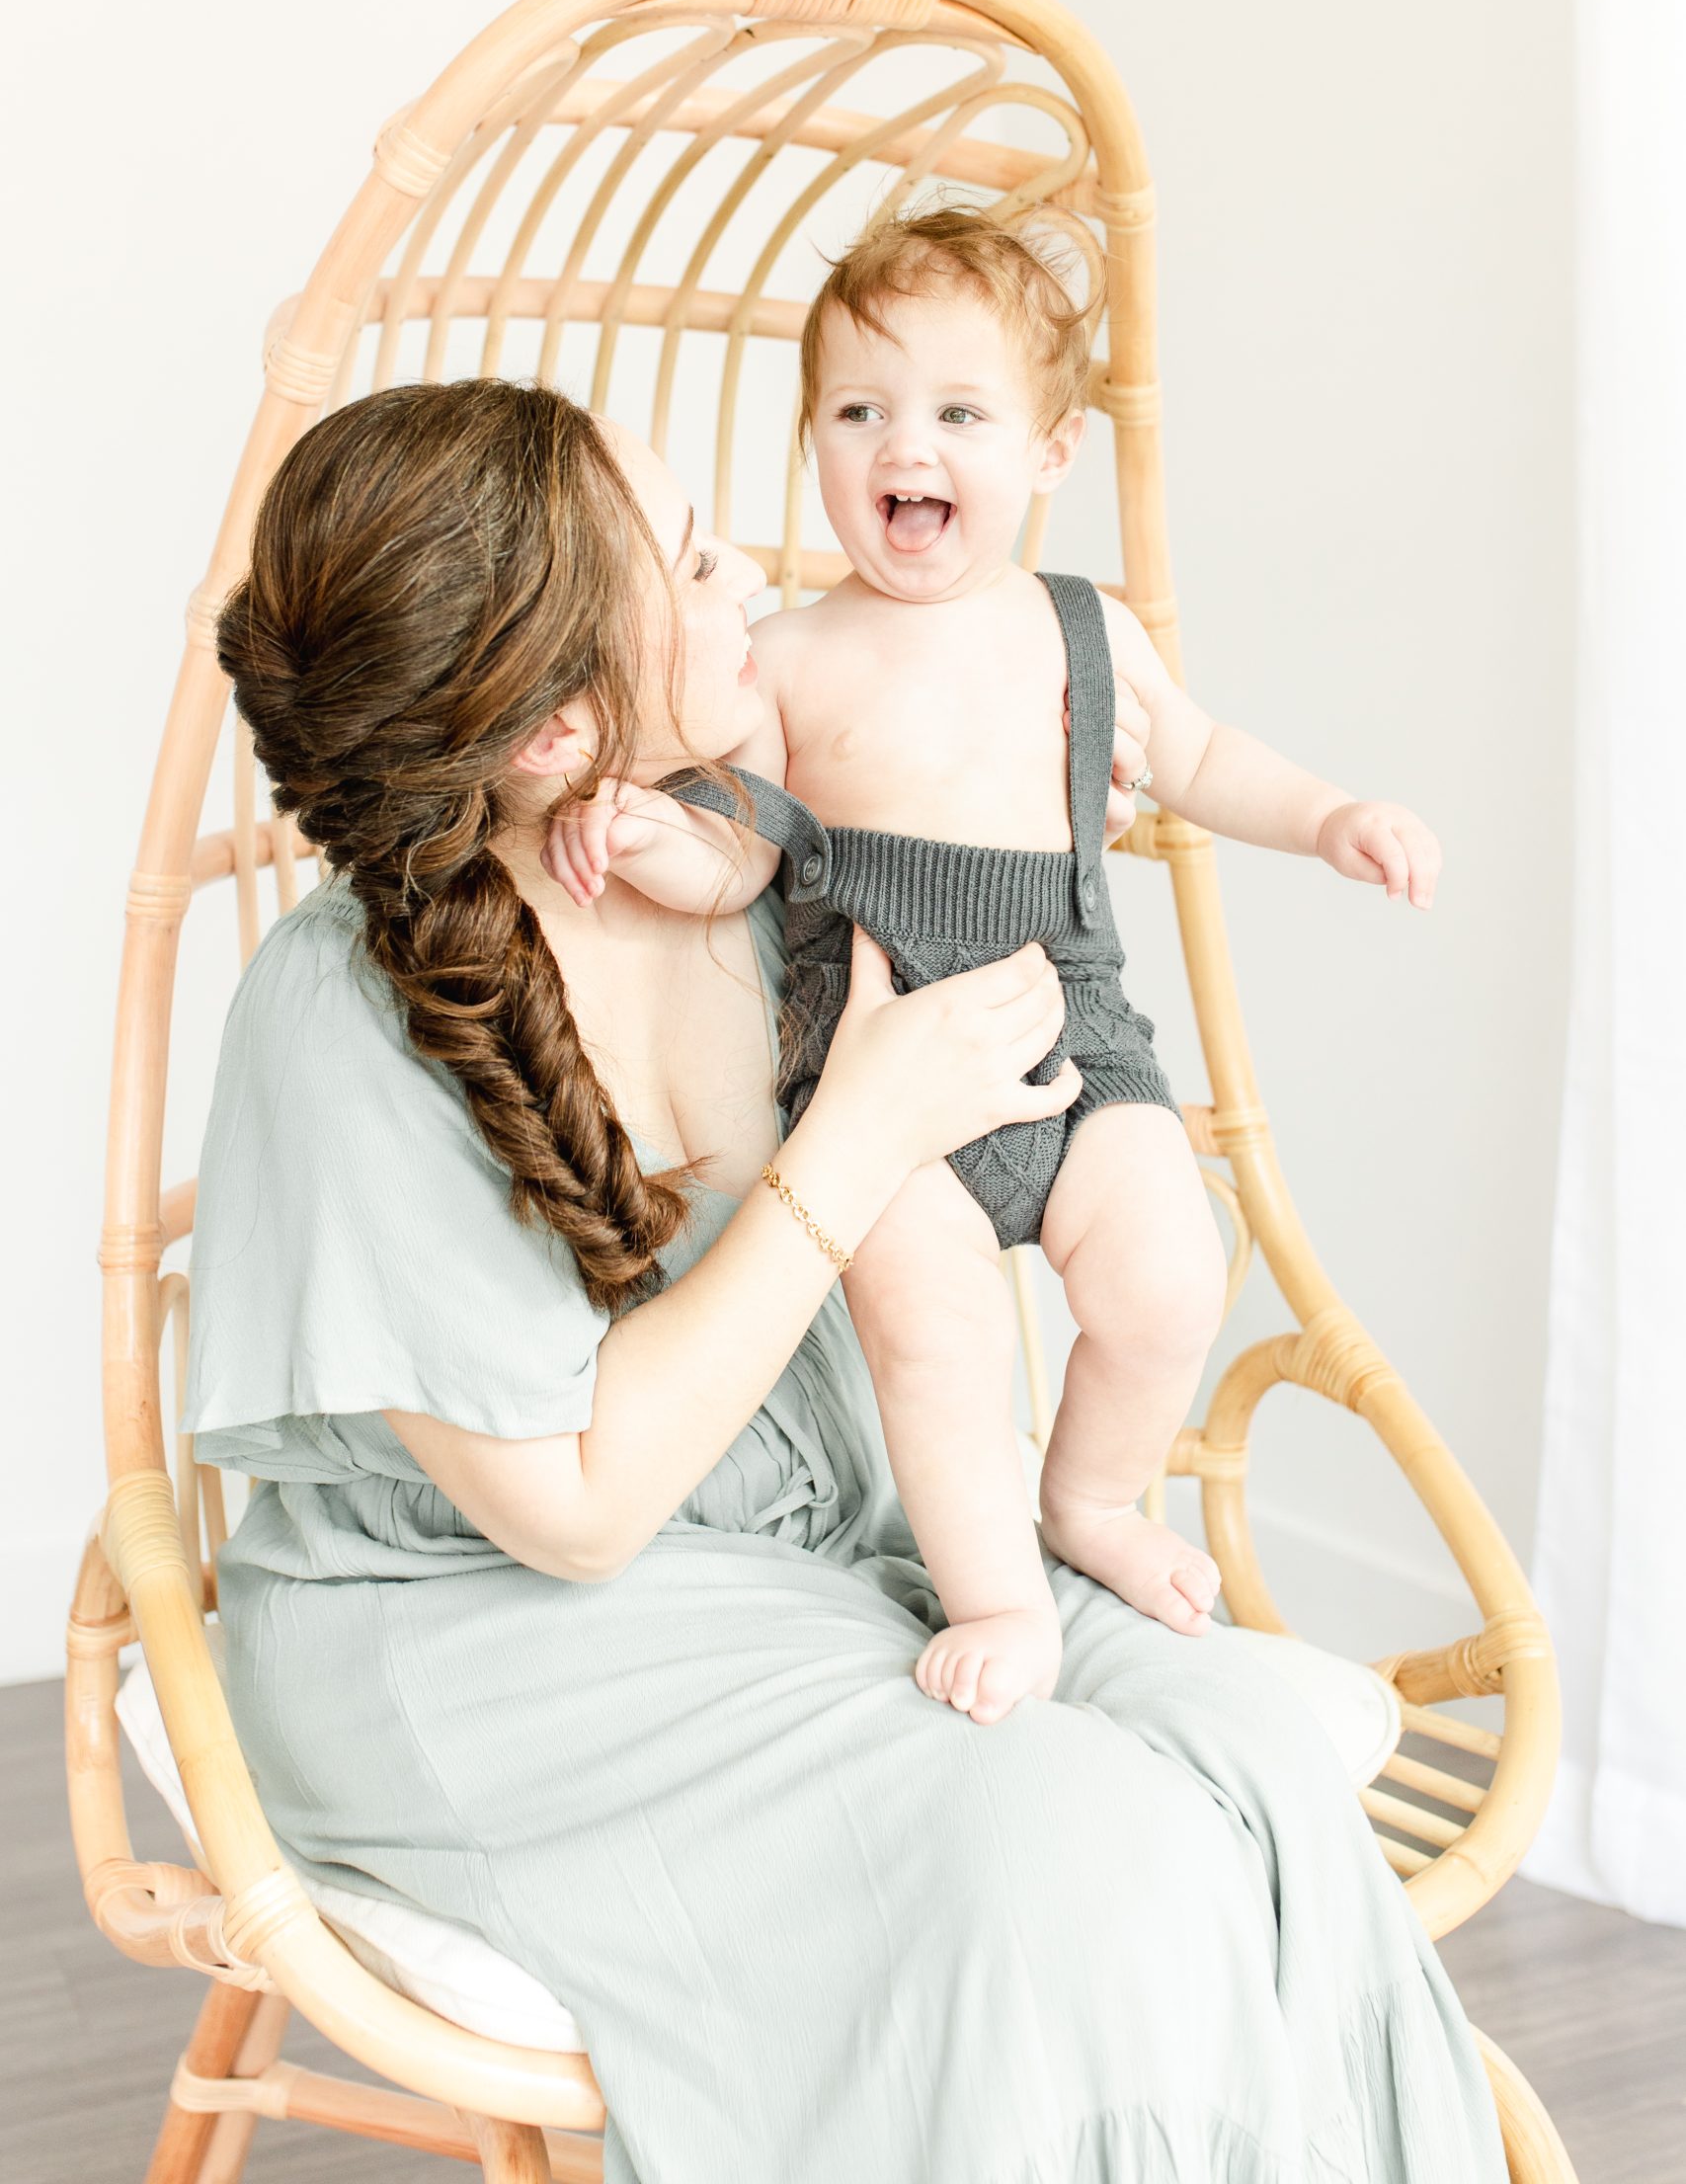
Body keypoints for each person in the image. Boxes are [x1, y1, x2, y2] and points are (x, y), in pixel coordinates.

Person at [186, 375, 1502, 2183]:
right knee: (1061, 1843)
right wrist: (853, 1139)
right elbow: (575, 1515)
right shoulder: (336, 1016)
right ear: (560, 732)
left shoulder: (742, 857)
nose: (746, 575)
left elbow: (1022, 981)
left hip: (814, 1549)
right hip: (494, 1646)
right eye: (689, 558)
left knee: (1247, 1752)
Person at [539, 204, 1444, 1727]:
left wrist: (1332, 816)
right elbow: (745, 857)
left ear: (1049, 454)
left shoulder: (1082, 630)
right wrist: (641, 838)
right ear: (814, 437)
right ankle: (1004, 1600)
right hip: (881, 1076)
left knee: (1166, 1274)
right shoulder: (792, 654)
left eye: (960, 412)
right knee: (937, 1347)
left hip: (1074, 1030)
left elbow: (1207, 759)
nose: (908, 444)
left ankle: (1090, 1498)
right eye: (860, 410)